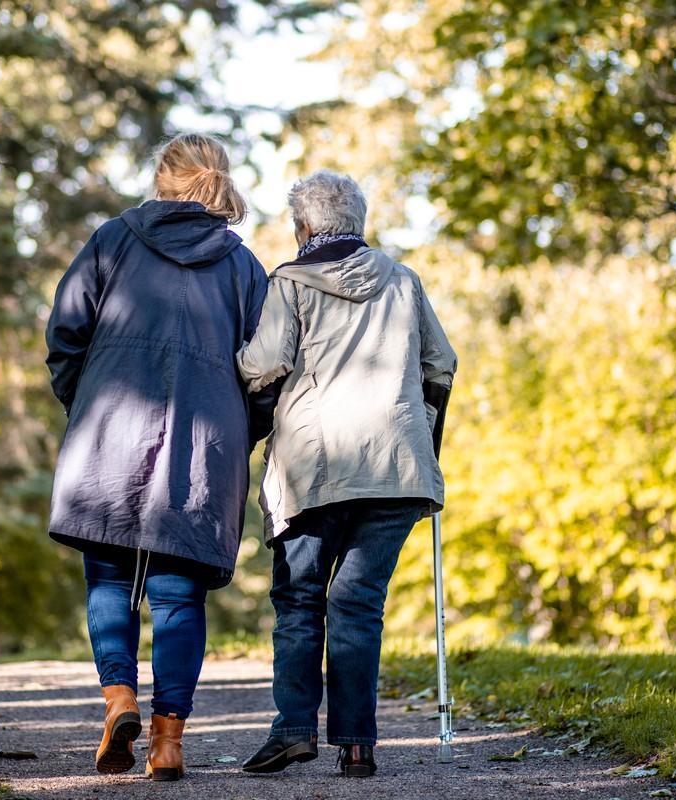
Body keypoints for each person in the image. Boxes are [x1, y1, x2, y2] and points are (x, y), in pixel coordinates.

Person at [45, 133, 272, 781]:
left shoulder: (112, 241)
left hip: (108, 436)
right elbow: (266, 373)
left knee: (111, 580)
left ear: (161, 178)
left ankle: (119, 698)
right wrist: (238, 436)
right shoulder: (243, 267)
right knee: (179, 599)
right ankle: (168, 741)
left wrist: (84, 403)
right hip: (202, 451)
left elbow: (65, 335)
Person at [237, 170, 457, 778]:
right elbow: (442, 362)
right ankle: (357, 745)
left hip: (316, 468)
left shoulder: (291, 281)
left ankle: (294, 730)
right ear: (356, 223)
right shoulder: (403, 281)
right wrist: (425, 431)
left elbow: (264, 364)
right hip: (397, 467)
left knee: (302, 600)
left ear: (304, 226)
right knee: (358, 603)